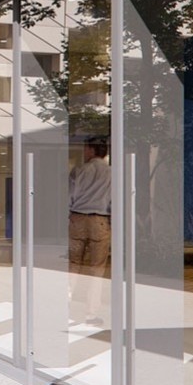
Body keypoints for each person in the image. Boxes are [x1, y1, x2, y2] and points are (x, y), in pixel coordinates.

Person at [69, 135, 111, 325]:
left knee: (73, 265)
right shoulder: (112, 172)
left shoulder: (80, 170)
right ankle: (91, 313)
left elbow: (70, 195)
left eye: (86, 148)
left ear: (92, 150)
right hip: (100, 222)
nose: (84, 152)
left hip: (77, 218)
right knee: (97, 269)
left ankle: (67, 306)